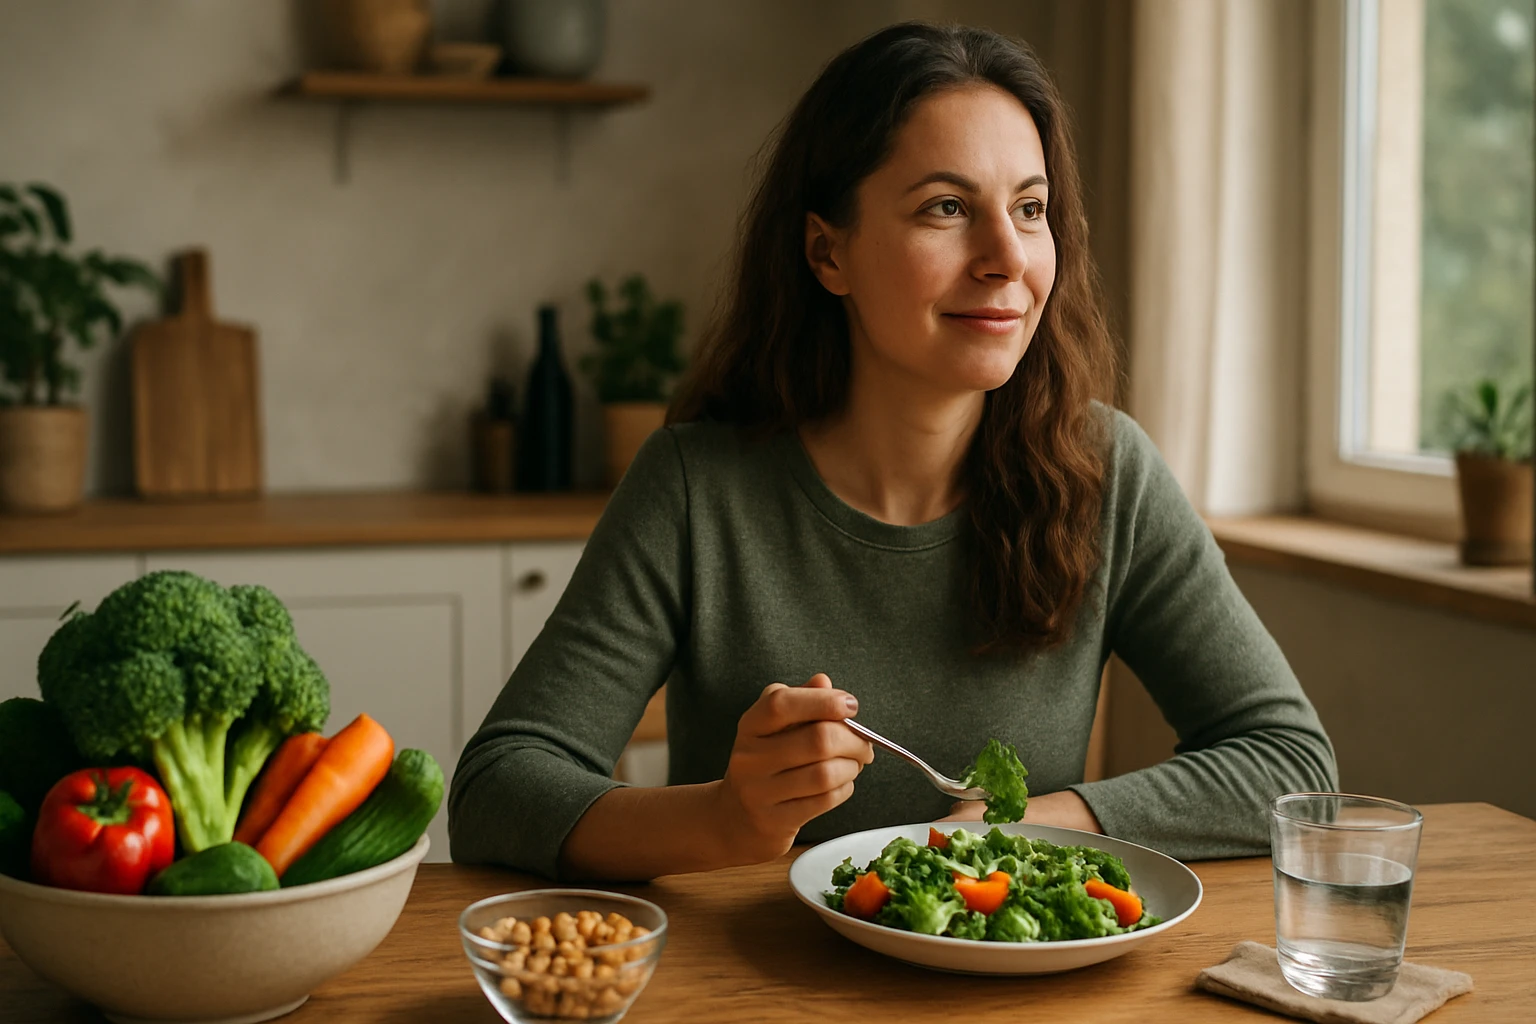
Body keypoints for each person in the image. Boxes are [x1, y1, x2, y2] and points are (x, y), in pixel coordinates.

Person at [448, 21, 1338, 882]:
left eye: (1030, 209)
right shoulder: (694, 485)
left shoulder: (1111, 472)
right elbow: (498, 788)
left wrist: (1040, 822)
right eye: (947, 208)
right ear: (827, 252)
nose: (1005, 258)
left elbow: (1293, 767)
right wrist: (723, 817)